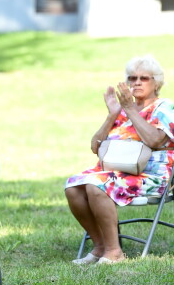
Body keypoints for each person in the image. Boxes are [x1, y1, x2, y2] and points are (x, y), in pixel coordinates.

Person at [65, 55, 174, 265]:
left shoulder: (165, 108)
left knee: (97, 186)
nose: (137, 82)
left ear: (157, 82)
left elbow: (153, 140)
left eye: (144, 78)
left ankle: (114, 251)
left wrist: (131, 110)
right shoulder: (123, 111)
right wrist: (113, 114)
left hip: (150, 176)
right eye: (132, 78)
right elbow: (95, 147)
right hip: (115, 171)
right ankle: (99, 246)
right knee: (73, 186)